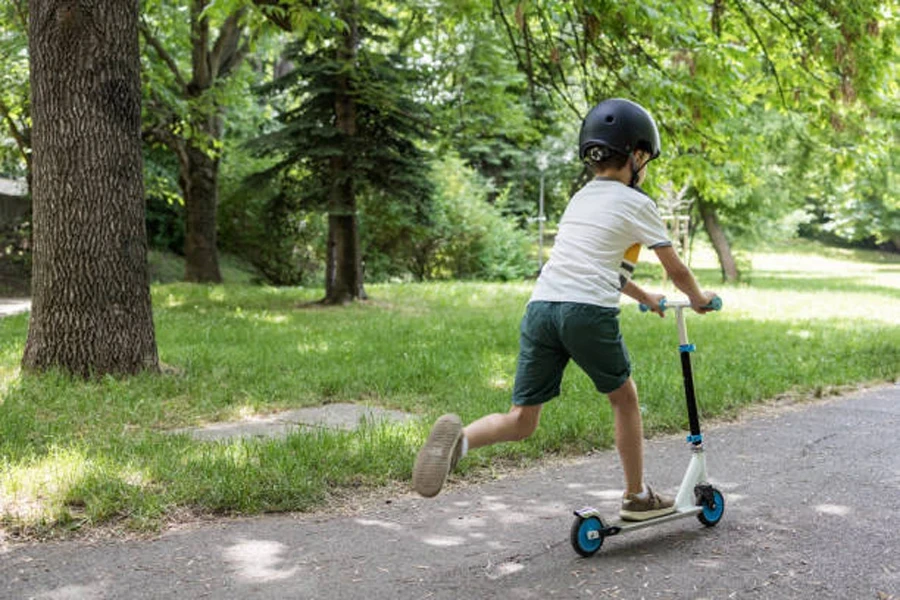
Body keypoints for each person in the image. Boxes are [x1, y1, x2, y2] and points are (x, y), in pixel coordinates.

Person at [412, 98, 718, 521]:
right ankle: (636, 496)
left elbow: (592, 265)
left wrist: (643, 296)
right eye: (646, 158)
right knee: (624, 400)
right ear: (637, 154)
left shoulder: (581, 198)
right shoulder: (638, 203)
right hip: (586, 313)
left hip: (541, 309)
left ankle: (459, 442)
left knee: (522, 420)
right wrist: (700, 299)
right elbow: (677, 268)